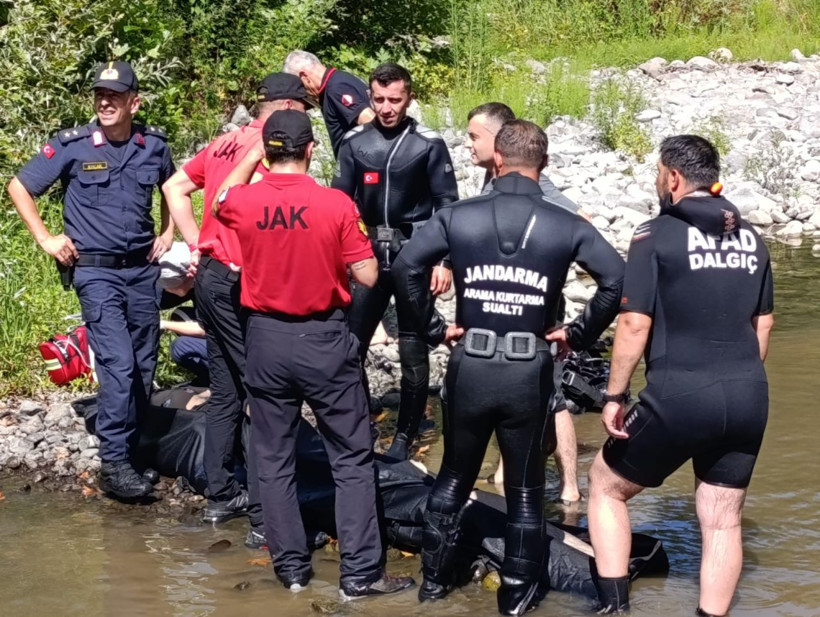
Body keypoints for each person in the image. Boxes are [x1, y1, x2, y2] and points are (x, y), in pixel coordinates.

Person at [392, 120, 625, 615]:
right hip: (528, 369)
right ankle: (517, 598)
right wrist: (577, 334)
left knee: (454, 477)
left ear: (497, 160)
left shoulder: (459, 216)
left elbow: (406, 267)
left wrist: (434, 329)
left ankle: (433, 586)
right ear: (544, 164)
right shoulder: (566, 223)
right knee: (524, 488)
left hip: (471, 362)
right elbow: (615, 281)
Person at [212, 109, 414, 597]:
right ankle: (361, 575)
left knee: (274, 458)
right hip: (323, 339)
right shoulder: (335, 204)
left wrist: (252, 155)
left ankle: (292, 570)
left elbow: (219, 200)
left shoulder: (244, 201)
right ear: (311, 149)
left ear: (269, 150)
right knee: (350, 457)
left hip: (264, 339)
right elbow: (367, 275)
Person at [587, 135, 774, 616]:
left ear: (672, 177)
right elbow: (764, 323)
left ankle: (614, 608)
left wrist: (614, 395)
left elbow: (633, 322)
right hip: (749, 393)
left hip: (681, 391)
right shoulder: (751, 238)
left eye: (657, 173)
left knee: (607, 485)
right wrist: (737, 382)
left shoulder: (655, 235)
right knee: (722, 521)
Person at [7, 60, 175, 500]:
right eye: (100, 95)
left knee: (142, 363)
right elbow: (19, 187)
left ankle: (134, 452)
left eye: (115, 96)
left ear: (133, 103)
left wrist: (170, 230)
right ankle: (114, 465)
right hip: (95, 271)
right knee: (117, 365)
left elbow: (171, 188)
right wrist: (45, 237)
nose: (105, 102)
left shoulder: (152, 145)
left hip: (142, 270)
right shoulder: (73, 145)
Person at [162, 73, 311, 543]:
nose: (308, 116)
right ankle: (267, 519)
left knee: (227, 390)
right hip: (239, 282)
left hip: (208, 276)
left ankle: (221, 494)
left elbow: (174, 187)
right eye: (304, 107)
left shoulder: (227, 142)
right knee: (263, 393)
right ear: (286, 105)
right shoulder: (272, 150)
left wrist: (195, 241)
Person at [332, 62, 459, 461]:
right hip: (367, 251)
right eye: (379, 99)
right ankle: (356, 422)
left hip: (415, 252)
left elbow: (446, 204)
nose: (386, 107)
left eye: (395, 100)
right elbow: (339, 204)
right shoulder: (355, 142)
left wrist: (445, 260)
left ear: (409, 99)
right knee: (350, 343)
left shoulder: (428, 143)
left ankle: (406, 435)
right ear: (371, 96)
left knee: (412, 346)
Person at [467, 102, 582, 504]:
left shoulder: (539, 187)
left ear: (499, 145)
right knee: (515, 390)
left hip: (541, 310)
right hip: (505, 304)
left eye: (474, 137)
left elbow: (578, 220)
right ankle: (505, 473)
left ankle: (569, 486)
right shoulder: (489, 182)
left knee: (553, 397)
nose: (469, 145)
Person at [283, 50, 376, 157]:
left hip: (364, 167)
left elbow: (371, 121)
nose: (301, 92)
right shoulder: (340, 79)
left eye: (298, 86)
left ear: (304, 77)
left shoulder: (336, 88)